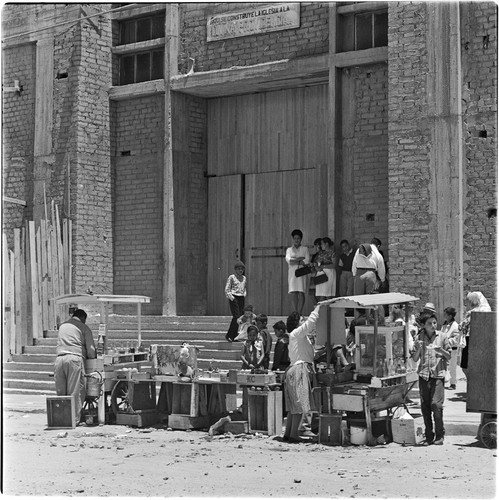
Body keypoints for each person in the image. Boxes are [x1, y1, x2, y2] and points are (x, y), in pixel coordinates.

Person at [410, 312, 451, 445]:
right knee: (425, 407)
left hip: (437, 375)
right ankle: (429, 435)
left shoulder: (442, 337)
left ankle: (440, 434)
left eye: (434, 322)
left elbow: (449, 356)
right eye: (429, 323)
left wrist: (441, 351)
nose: (433, 325)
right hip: (423, 375)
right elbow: (415, 359)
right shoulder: (419, 338)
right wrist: (419, 349)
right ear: (423, 325)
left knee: (436, 405)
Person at [282, 305, 320, 442]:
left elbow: (309, 353)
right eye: (301, 319)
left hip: (295, 369)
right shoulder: (297, 333)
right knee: (298, 405)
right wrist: (317, 309)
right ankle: (293, 435)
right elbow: (310, 324)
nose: (303, 321)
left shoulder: (297, 337)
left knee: (294, 407)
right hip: (299, 370)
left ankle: (288, 433)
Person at [54, 309, 96, 426]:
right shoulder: (84, 327)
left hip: (59, 359)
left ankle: (62, 418)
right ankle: (73, 420)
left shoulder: (63, 326)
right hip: (74, 359)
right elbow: (91, 351)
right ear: (83, 318)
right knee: (75, 391)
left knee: (61, 392)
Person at [458, 291, 491, 378]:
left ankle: (472, 385)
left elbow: (461, 326)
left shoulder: (471, 313)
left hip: (470, 341)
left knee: (466, 367)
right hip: (483, 342)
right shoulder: (486, 311)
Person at [285, 229, 310, 315]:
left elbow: (306, 261)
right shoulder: (289, 250)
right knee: (293, 292)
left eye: (298, 238)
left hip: (302, 273)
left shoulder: (305, 249)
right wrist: (300, 259)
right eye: (295, 238)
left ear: (301, 239)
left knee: (301, 291)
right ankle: (295, 312)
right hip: (292, 274)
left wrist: (295, 260)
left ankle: (300, 312)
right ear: (293, 239)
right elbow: (289, 261)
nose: (296, 240)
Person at [224, 261, 247, 342]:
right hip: (234, 297)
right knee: (236, 316)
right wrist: (232, 298)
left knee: (240, 317)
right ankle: (229, 334)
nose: (240, 270)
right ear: (235, 269)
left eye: (242, 269)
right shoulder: (232, 277)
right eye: (239, 269)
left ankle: (234, 335)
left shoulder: (244, 278)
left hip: (241, 298)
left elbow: (244, 288)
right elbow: (227, 289)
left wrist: (244, 295)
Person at [441, 307, 460, 390]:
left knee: (452, 367)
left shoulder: (455, 326)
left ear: (450, 315)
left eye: (445, 314)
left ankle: (453, 383)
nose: (444, 315)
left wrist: (447, 341)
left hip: (452, 349)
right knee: (443, 365)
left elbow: (456, 339)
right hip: (444, 349)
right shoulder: (444, 325)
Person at [314, 237, 337, 302]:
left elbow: (334, 265)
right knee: (321, 294)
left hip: (329, 273)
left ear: (326, 244)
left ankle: (327, 310)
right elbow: (316, 262)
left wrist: (323, 266)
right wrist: (317, 267)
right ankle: (322, 310)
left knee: (327, 293)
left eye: (322, 244)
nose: (321, 245)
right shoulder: (321, 253)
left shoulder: (332, 253)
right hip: (321, 273)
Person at [308, 238, 323, 306]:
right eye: (315, 245)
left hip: (321, 276)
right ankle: (315, 308)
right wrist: (311, 265)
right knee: (312, 294)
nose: (316, 247)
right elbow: (311, 266)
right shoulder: (314, 256)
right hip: (314, 276)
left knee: (321, 294)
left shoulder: (325, 255)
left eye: (317, 245)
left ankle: (321, 310)